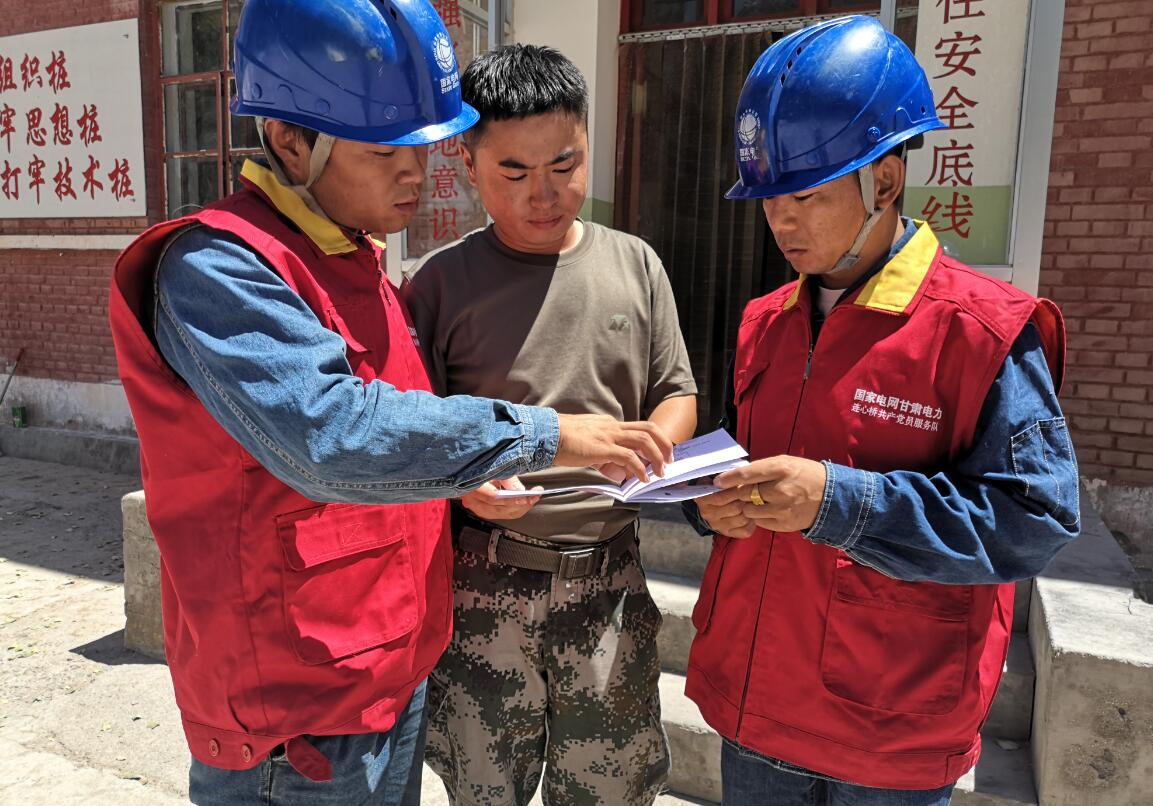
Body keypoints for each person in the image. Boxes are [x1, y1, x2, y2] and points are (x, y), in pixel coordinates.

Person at [107, 3, 672, 805]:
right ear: (290, 141)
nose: (415, 173)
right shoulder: (219, 269)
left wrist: (461, 476)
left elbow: (402, 431)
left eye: (421, 147)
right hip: (298, 715)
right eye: (385, 152)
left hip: (386, 671)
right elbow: (330, 436)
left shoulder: (351, 260)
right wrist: (542, 436)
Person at [686, 16, 1080, 806]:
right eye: (768, 200)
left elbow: (1034, 518)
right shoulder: (765, 321)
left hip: (886, 735)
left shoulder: (980, 332)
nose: (782, 222)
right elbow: (747, 459)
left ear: (885, 182)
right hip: (755, 706)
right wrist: (705, 502)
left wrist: (838, 502)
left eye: (805, 196)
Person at [401, 44, 697, 806]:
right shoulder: (438, 285)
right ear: (468, 164)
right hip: (484, 583)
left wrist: (653, 444)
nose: (543, 194)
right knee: (483, 790)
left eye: (564, 165)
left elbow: (676, 392)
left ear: (588, 144)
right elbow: (410, 435)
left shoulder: (634, 264)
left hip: (609, 583)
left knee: (609, 791)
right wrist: (461, 488)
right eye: (514, 172)